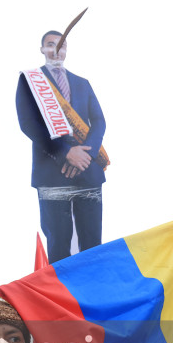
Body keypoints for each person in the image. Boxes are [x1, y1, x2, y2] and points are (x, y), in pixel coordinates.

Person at [16, 30, 107, 263]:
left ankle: (92, 295)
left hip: (88, 173)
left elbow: (98, 121)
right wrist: (66, 153)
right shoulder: (30, 81)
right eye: (50, 44)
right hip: (51, 173)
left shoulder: (82, 83)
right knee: (58, 247)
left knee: (93, 246)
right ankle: (64, 297)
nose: (57, 49)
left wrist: (86, 155)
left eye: (62, 45)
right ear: (42, 49)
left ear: (66, 50)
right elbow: (28, 123)